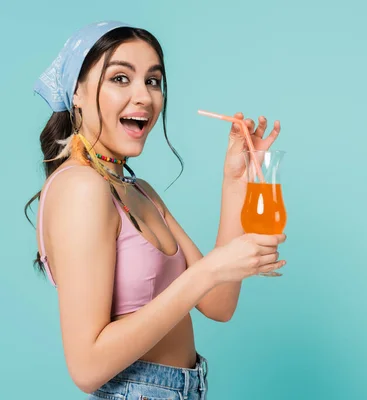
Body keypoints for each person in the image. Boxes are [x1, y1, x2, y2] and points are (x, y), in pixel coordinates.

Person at [25, 21, 287, 400]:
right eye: (120, 78)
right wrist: (208, 271)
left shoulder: (137, 190)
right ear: (76, 93)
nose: (144, 96)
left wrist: (235, 181)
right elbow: (86, 368)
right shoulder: (81, 187)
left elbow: (219, 303)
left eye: (153, 80)